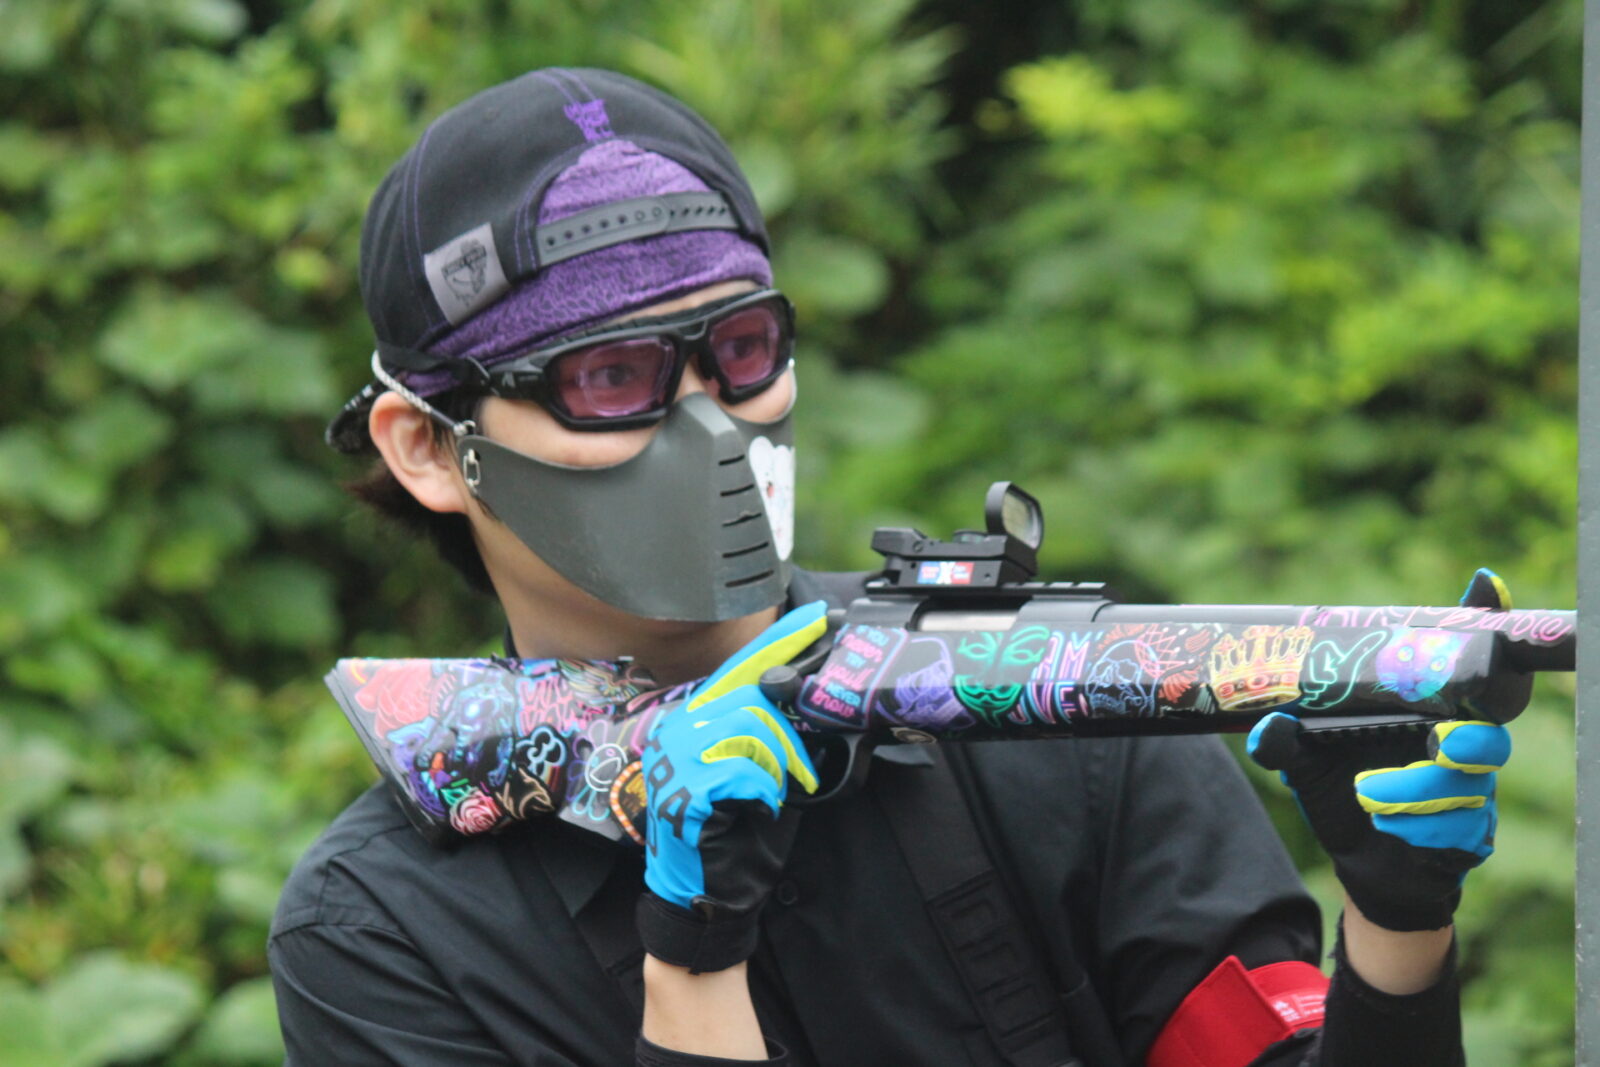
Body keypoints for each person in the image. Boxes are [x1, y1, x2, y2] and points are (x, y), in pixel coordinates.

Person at [270, 67, 1509, 1066]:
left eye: (742, 349)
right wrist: (693, 969)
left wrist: (1394, 937)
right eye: (611, 378)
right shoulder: (382, 932)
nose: (711, 424)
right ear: (428, 446)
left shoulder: (1056, 708)